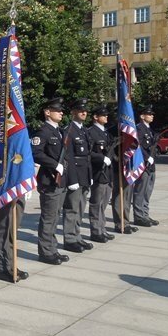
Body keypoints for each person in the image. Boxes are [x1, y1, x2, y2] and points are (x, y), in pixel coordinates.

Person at [31, 97, 70, 265]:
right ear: (47, 112)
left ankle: (52, 248)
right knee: (48, 217)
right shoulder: (43, 132)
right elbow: (36, 152)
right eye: (57, 110)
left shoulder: (59, 132)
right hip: (49, 180)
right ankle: (46, 252)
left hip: (60, 181)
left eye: (61, 110)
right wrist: (55, 165)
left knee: (55, 217)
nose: (61, 112)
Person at [61, 98, 93, 254]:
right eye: (81, 110)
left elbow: (87, 156)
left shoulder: (84, 130)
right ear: (73, 112)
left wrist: (89, 175)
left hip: (84, 174)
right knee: (72, 208)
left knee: (80, 208)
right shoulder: (69, 130)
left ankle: (77, 235)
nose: (84, 113)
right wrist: (72, 179)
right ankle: (70, 239)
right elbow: (69, 157)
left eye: (85, 110)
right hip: (75, 176)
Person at [87, 105, 115, 243]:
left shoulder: (106, 133)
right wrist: (101, 158)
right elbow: (87, 152)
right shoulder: (91, 132)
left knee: (103, 203)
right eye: (103, 115)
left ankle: (102, 229)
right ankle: (96, 231)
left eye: (106, 115)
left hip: (108, 173)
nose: (106, 117)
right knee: (96, 203)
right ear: (95, 117)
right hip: (98, 171)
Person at [0, 197, 30, 282]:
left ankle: (11, 265)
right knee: (3, 226)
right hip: (2, 187)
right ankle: (2, 268)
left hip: (17, 186)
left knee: (12, 228)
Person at [133, 105, 159, 227]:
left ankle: (145, 214)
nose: (152, 116)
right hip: (143, 165)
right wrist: (146, 157)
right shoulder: (139, 129)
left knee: (147, 192)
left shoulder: (149, 130)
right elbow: (137, 146)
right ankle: (139, 216)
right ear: (142, 116)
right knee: (140, 191)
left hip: (151, 165)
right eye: (149, 114)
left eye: (152, 114)